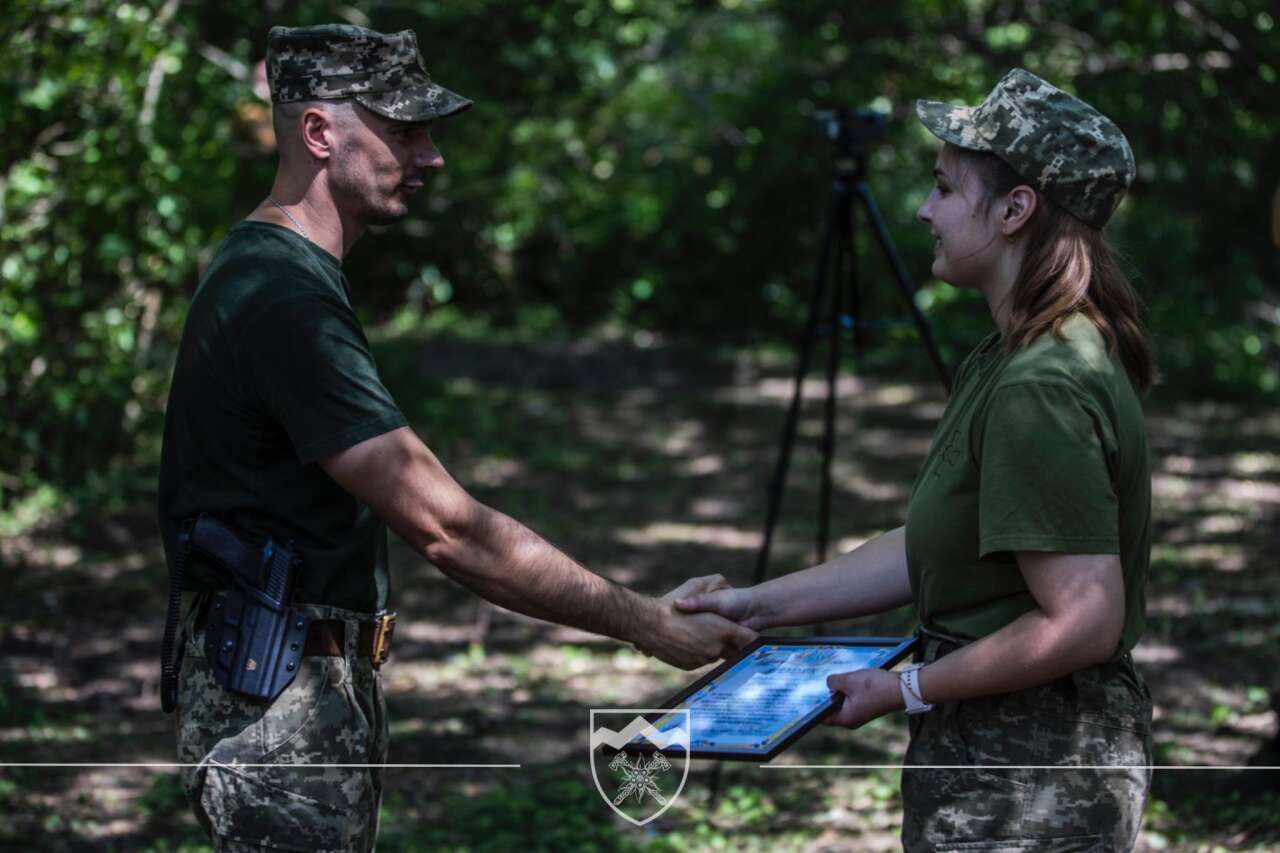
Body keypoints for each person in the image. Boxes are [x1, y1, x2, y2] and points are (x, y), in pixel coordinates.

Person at [157, 24, 754, 852]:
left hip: (297, 682)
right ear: (320, 134)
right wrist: (648, 623)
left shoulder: (281, 274)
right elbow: (449, 528)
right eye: (405, 130)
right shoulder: (280, 295)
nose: (432, 155)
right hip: (276, 702)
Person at [677, 68, 1156, 852]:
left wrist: (905, 687)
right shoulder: (1010, 357)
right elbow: (933, 544)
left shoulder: (1042, 382)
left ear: (1015, 209)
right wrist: (756, 605)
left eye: (942, 187)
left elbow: (1084, 619)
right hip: (1006, 751)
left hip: (1032, 772)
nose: (924, 210)